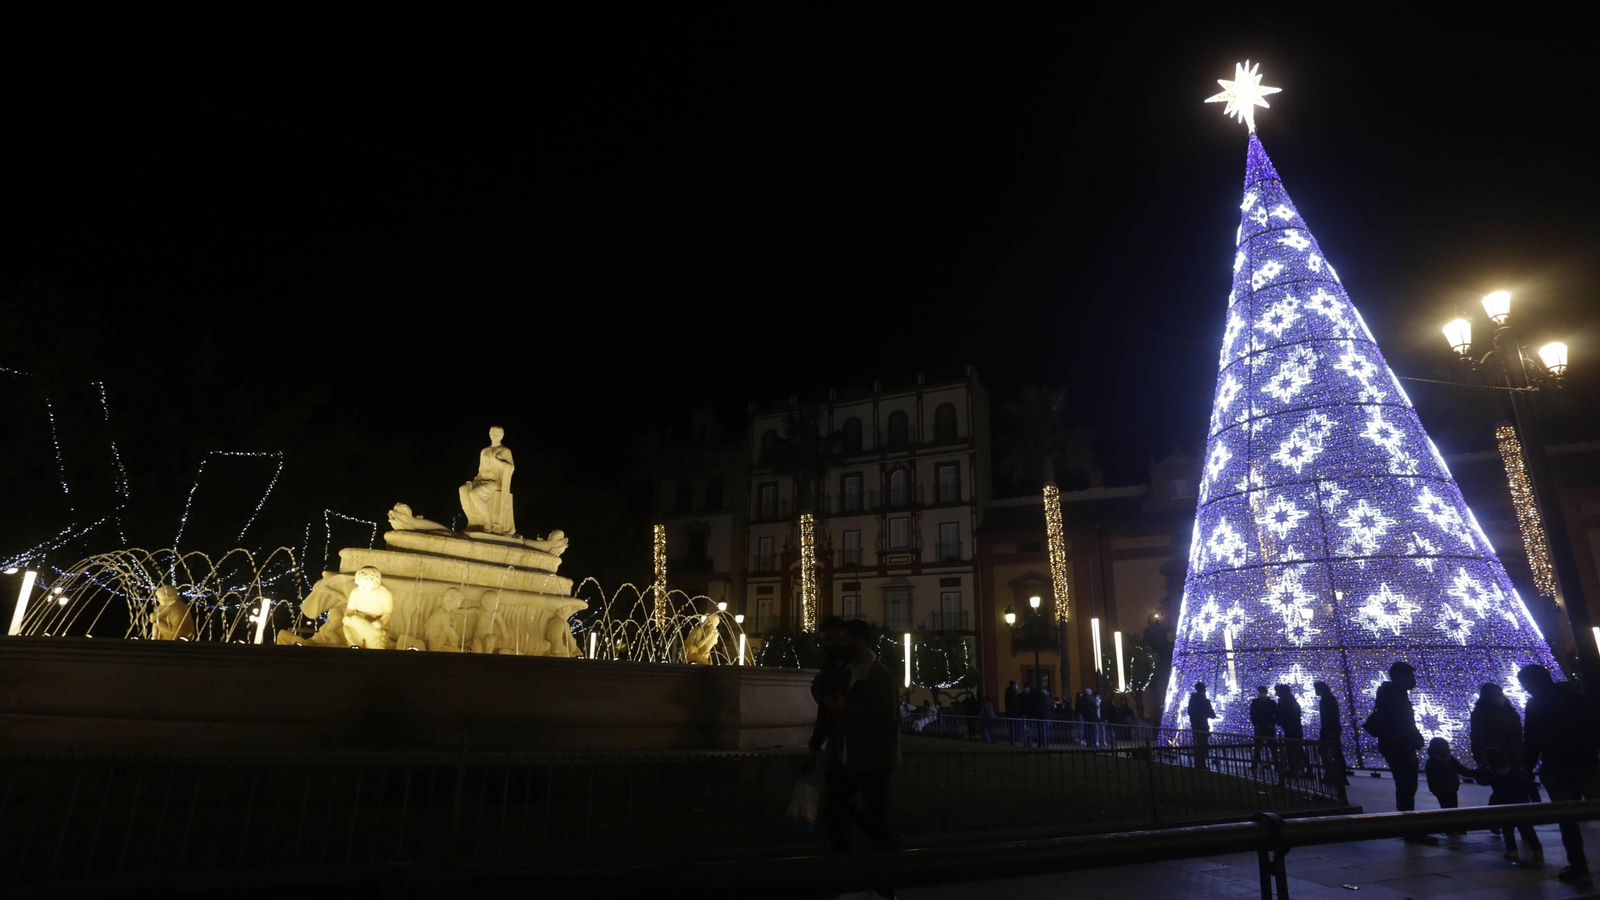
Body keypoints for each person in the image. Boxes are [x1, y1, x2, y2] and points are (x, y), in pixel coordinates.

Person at [822, 619, 900, 895]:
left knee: (875, 822)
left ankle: (885, 884)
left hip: (874, 761)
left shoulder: (881, 675)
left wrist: (847, 708)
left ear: (860, 641)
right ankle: (851, 868)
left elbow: (887, 718)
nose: (840, 644)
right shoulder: (847, 672)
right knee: (834, 811)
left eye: (845, 639)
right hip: (847, 758)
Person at [1519, 663, 1600, 883]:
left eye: (1525, 684)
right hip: (1586, 762)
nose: (1525, 689)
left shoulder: (1536, 705)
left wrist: (1527, 766)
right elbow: (1594, 727)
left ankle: (1578, 866)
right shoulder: (1576, 698)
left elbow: (1532, 739)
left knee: (1567, 817)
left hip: (1557, 766)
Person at [1363, 660, 1433, 843]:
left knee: (1406, 788)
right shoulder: (1395, 696)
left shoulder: (1392, 694)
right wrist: (1415, 738)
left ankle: (1408, 827)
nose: (1413, 680)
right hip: (1399, 746)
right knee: (1406, 788)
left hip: (1395, 745)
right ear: (1401, 678)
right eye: (1411, 676)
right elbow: (1402, 723)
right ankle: (1409, 829)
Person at [1475, 747, 1544, 865]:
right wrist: (1536, 802)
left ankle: (1512, 851)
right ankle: (1537, 850)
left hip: (1504, 804)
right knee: (1526, 827)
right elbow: (1529, 787)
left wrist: (1482, 768)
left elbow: (1482, 781)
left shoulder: (1492, 774)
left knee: (1507, 828)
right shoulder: (1515, 772)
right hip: (1521, 803)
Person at [1423, 737, 1475, 832]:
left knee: (1450, 808)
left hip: (1449, 788)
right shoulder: (1447, 760)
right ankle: (1451, 827)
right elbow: (1462, 770)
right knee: (1449, 808)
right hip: (1445, 789)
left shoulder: (1434, 761)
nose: (1447, 749)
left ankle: (1452, 827)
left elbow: (1462, 770)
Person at [1314, 681, 1348, 786]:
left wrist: (1328, 731)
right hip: (1331, 729)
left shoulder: (1327, 700)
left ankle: (1333, 775)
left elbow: (1329, 717)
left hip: (1329, 729)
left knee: (1329, 752)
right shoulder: (1329, 699)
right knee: (1335, 753)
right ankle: (1338, 775)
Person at [1275, 684, 1306, 777]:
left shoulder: (1289, 701)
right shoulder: (1284, 701)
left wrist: (1280, 719)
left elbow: (1289, 714)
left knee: (1295, 749)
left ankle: (1297, 769)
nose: (1276, 693)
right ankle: (1295, 768)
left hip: (1293, 728)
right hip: (1289, 728)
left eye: (1278, 691)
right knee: (1293, 749)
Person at [1187, 682, 1217, 769]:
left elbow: (1189, 712)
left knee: (1197, 744)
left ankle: (1197, 762)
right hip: (1203, 726)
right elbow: (1212, 714)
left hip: (1195, 725)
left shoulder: (1192, 700)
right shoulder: (1205, 701)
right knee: (1203, 744)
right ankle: (1202, 763)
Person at [1249, 686, 1278, 770]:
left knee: (1272, 747)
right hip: (1260, 727)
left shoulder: (1271, 702)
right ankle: (1255, 764)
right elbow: (1252, 714)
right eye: (1259, 691)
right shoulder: (1255, 702)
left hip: (1268, 727)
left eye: (1262, 691)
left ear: (1266, 692)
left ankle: (1276, 764)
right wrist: (1256, 724)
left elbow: (1275, 714)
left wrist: (1272, 725)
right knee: (1258, 747)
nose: (1260, 693)